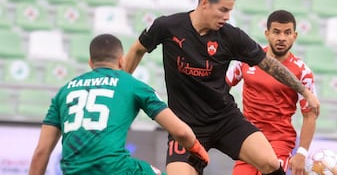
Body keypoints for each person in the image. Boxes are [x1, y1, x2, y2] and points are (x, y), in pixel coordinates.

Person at [124, 0, 320, 175]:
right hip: (185, 127)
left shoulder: (231, 36)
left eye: (230, 11)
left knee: (270, 162)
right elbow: (137, 49)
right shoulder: (167, 26)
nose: (227, 17)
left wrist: (304, 91)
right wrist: (121, 82)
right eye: (223, 10)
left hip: (225, 119)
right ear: (204, 3)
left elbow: (269, 65)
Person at [29, 34, 209, 175]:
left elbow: (41, 152)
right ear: (122, 60)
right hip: (116, 169)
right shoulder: (131, 84)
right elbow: (181, 132)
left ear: (91, 63)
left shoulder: (65, 91)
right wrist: (198, 150)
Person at [226, 10, 318, 175]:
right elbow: (221, 87)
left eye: (287, 32)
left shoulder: (303, 72)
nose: (282, 37)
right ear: (267, 33)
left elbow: (310, 115)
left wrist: (302, 153)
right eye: (276, 32)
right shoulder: (247, 60)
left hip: (279, 142)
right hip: (248, 139)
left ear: (295, 36)